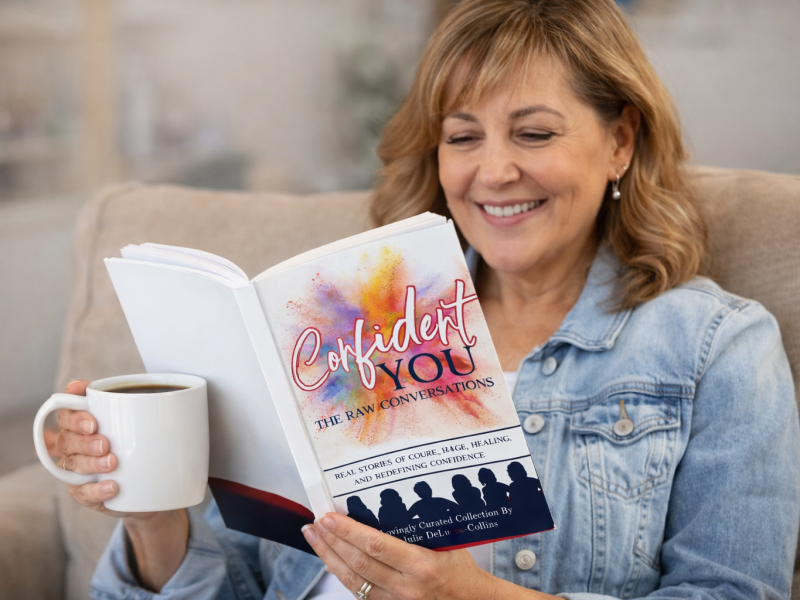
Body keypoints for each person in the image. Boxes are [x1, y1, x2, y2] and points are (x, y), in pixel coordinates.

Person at [54, 0, 800, 598]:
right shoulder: (337, 329)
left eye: (534, 133)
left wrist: (471, 598)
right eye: (463, 137)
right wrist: (152, 517)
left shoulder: (714, 349)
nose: (494, 171)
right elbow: (240, 583)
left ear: (620, 142)